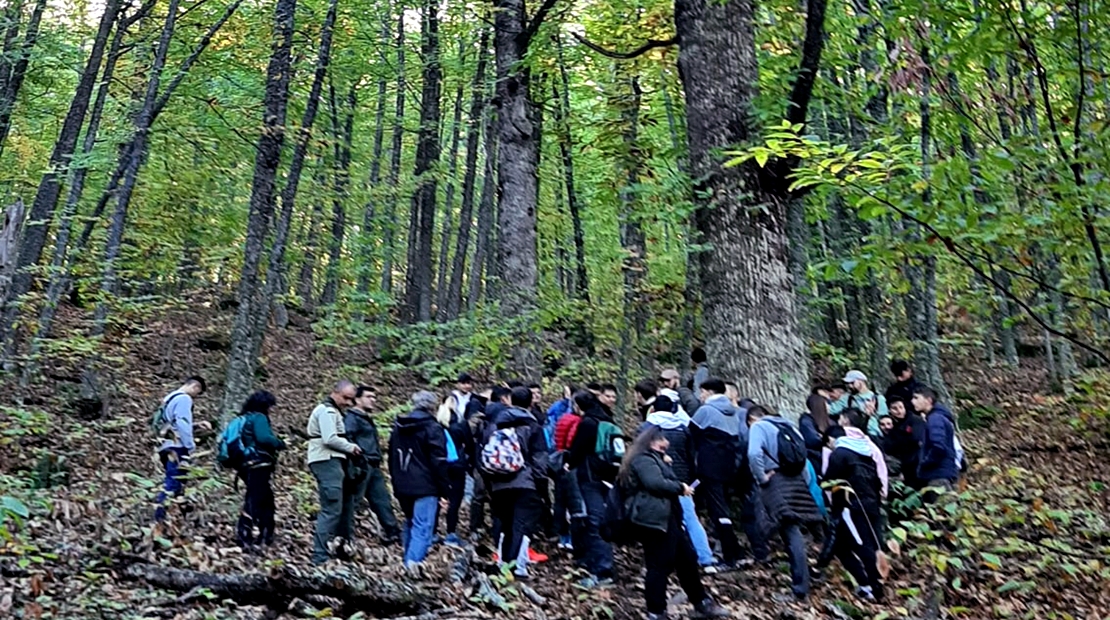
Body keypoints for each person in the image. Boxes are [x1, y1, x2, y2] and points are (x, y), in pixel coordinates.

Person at [619, 425, 731, 620]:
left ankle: (701, 602)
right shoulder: (643, 460)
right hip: (653, 521)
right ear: (650, 442)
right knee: (659, 565)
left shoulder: (653, 459)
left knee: (687, 560)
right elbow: (654, 483)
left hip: (667, 519)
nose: (666, 444)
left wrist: (665, 465)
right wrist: (680, 487)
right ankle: (656, 611)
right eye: (662, 440)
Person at [747, 405, 824, 600]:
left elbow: (754, 454)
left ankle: (800, 589)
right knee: (793, 531)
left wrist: (762, 477)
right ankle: (806, 578)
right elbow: (803, 457)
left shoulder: (759, 427)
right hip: (796, 480)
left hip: (776, 481)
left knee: (790, 534)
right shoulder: (788, 425)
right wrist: (803, 482)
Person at [481, 386, 550, 578]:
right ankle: (517, 568)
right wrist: (540, 484)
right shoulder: (533, 426)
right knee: (522, 525)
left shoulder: (494, 425)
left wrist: (490, 484)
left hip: (498, 483)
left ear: (510, 400)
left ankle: (503, 563)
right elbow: (540, 458)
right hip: (525, 483)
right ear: (530, 403)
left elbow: (484, 455)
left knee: (504, 524)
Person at [642, 395, 716, 569]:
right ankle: (705, 558)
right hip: (682, 480)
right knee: (690, 519)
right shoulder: (683, 429)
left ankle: (662, 561)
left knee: (659, 521)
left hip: (656, 480)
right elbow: (691, 456)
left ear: (652, 409)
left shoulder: (647, 429)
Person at [824, 410, 888, 601]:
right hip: (871, 504)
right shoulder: (866, 453)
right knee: (845, 547)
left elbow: (828, 483)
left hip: (850, 506)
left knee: (862, 546)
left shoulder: (839, 454)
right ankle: (866, 584)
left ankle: (875, 589)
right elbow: (878, 478)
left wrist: (831, 503)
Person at [390, 391, 451, 568]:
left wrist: (396, 481)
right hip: (426, 485)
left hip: (403, 484)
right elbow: (439, 461)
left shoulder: (398, 427)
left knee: (410, 523)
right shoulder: (433, 428)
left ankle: (407, 562)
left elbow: (392, 458)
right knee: (423, 527)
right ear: (433, 406)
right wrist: (445, 491)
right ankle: (411, 566)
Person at [689, 378, 746, 568]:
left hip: (709, 468)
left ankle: (730, 556)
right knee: (723, 510)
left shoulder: (706, 411)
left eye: (703, 392)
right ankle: (735, 551)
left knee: (718, 511)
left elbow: (691, 433)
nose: (701, 396)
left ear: (710, 392)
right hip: (729, 467)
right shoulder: (733, 412)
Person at [565, 389, 617, 586]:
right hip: (607, 476)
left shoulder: (588, 423)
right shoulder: (608, 419)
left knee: (595, 521)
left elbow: (577, 449)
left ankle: (602, 571)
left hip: (590, 475)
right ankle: (596, 562)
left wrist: (568, 462)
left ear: (578, 406)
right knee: (600, 518)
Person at [307, 380, 362, 564]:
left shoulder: (334, 411)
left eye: (351, 399)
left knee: (340, 507)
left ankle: (337, 548)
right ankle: (319, 555)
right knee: (331, 509)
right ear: (335, 392)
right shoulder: (327, 411)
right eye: (345, 398)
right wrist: (351, 447)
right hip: (326, 460)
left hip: (331, 461)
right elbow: (329, 438)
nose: (348, 402)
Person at [345, 385, 401, 545]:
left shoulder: (363, 417)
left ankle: (393, 533)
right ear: (357, 399)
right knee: (353, 500)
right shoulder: (352, 418)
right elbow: (347, 438)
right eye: (369, 397)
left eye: (374, 397)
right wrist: (358, 457)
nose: (373, 400)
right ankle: (341, 534)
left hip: (373, 464)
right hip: (362, 465)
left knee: (381, 499)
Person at [234, 390, 286, 549]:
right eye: (270, 405)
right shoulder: (259, 417)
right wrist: (279, 443)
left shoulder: (244, 418)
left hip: (245, 463)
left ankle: (265, 533)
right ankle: (245, 533)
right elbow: (264, 438)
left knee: (263, 498)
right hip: (259, 462)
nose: (272, 409)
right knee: (256, 499)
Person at [154, 376, 206, 522]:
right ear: (195, 387)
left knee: (177, 484)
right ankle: (159, 518)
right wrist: (190, 446)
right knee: (174, 482)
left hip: (165, 445)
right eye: (198, 392)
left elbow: (172, 423)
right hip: (177, 447)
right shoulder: (184, 399)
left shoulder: (169, 398)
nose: (196, 396)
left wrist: (196, 425)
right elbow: (182, 424)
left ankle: (177, 519)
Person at [437, 393, 475, 547]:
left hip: (440, 465)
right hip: (458, 465)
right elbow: (470, 446)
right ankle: (451, 532)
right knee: (455, 500)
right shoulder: (461, 424)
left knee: (438, 497)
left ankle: (433, 531)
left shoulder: (437, 423)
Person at [912, 386, 958, 499]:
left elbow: (938, 447)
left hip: (938, 476)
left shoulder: (935, 418)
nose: (913, 401)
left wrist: (925, 462)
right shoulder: (936, 417)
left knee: (941, 511)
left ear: (928, 401)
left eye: (916, 398)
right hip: (940, 473)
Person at [553, 387, 584, 551]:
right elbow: (573, 442)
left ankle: (562, 536)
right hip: (571, 463)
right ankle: (571, 538)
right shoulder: (577, 422)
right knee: (574, 502)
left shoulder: (563, 418)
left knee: (560, 500)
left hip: (560, 462)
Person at [884, 398, 925, 487]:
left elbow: (916, 439)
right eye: (895, 408)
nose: (899, 411)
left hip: (918, 463)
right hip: (905, 465)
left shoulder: (915, 420)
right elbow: (888, 447)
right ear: (890, 410)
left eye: (901, 407)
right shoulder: (893, 427)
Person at [841, 370, 887, 437]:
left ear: (861, 381)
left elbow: (885, 419)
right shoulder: (847, 398)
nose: (850, 386)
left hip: (874, 435)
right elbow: (831, 409)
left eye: (852, 383)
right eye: (848, 384)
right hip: (853, 435)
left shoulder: (878, 399)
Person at [799, 385, 832, 471]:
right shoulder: (806, 420)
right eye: (827, 403)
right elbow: (812, 440)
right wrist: (827, 440)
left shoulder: (830, 421)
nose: (829, 406)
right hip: (815, 459)